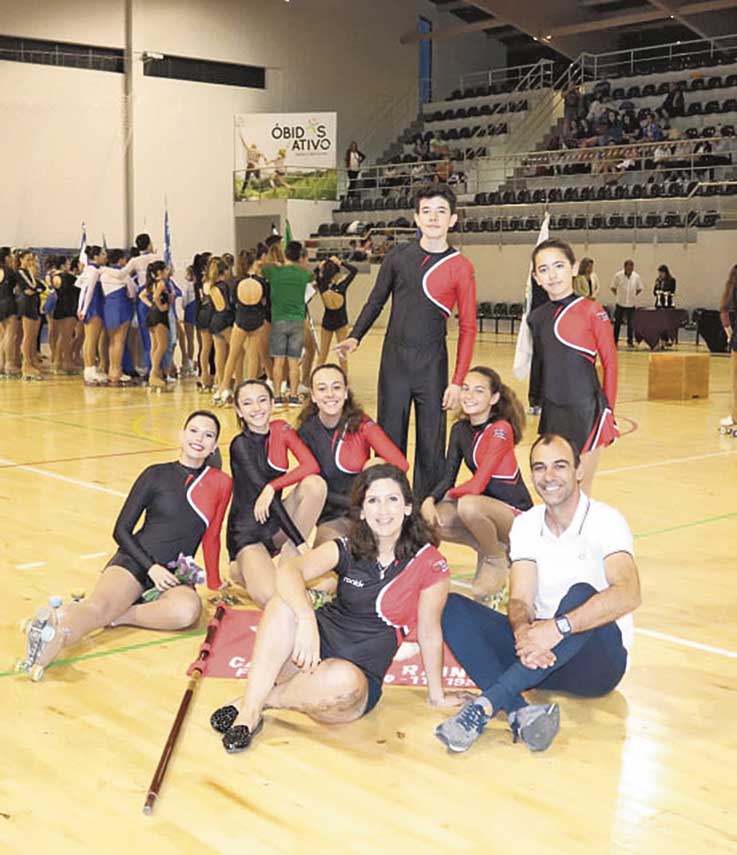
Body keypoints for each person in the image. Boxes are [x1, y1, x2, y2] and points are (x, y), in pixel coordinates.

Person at [209, 464, 463, 753]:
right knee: (283, 604)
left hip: (350, 685)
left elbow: (430, 632)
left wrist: (437, 695)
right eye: (373, 500)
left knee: (343, 682)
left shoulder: (430, 563)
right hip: (307, 653)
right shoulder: (348, 546)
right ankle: (250, 715)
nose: (383, 510)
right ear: (363, 511)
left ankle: (259, 700)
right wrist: (306, 619)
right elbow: (290, 570)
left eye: (392, 499)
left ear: (407, 507)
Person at [434, 433, 641, 754]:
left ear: (578, 471)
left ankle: (486, 706)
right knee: (449, 606)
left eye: (560, 466)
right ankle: (519, 710)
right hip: (539, 658)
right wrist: (522, 633)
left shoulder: (606, 520)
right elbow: (520, 600)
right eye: (540, 468)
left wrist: (557, 629)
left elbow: (628, 594)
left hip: (596, 665)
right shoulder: (527, 525)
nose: (549, 477)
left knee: (583, 592)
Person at [19, 411, 232, 674]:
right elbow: (121, 530)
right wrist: (151, 567)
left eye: (208, 435)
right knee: (99, 607)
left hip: (174, 574)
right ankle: (53, 637)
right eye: (194, 430)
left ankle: (121, 615)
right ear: (181, 435)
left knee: (188, 611)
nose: (199, 438)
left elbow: (212, 537)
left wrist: (215, 583)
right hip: (136, 560)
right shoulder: (155, 474)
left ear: (213, 447)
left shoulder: (221, 484)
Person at [335, 184, 477, 500]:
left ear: (452, 219)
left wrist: (457, 381)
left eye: (441, 211)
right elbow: (376, 299)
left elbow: (468, 327)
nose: (433, 218)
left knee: (431, 443)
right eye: (426, 211)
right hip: (395, 362)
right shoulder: (398, 257)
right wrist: (356, 334)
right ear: (416, 217)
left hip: (432, 365)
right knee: (389, 439)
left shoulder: (461, 267)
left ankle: (425, 509)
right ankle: (390, 504)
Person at [422, 367, 532, 605]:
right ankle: (491, 547)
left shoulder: (501, 429)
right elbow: (447, 477)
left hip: (517, 516)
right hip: (485, 509)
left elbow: (478, 483)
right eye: (466, 388)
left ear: (493, 398)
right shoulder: (460, 429)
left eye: (479, 391)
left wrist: (449, 497)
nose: (469, 396)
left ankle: (495, 557)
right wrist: (429, 500)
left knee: (468, 506)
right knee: (434, 518)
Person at [527, 238, 618, 495]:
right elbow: (541, 364)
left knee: (580, 487)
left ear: (573, 268)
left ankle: (582, 536)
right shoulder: (536, 318)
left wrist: (608, 410)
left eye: (558, 266)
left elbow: (610, 363)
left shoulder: (593, 311)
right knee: (553, 487)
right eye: (543, 269)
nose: (552, 275)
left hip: (587, 412)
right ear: (536, 277)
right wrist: (535, 400)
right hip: (553, 412)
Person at [227, 379, 326, 607]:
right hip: (248, 534)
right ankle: (242, 568)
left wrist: (273, 486)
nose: (257, 408)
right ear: (239, 410)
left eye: (262, 400)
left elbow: (311, 465)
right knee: (270, 598)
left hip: (275, 525)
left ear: (272, 403)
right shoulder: (239, 445)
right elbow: (269, 500)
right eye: (248, 403)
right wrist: (301, 543)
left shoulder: (281, 429)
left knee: (315, 485)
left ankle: (288, 572)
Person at [297, 363, 409, 546]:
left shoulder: (362, 425)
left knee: (376, 464)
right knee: (330, 557)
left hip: (367, 511)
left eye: (336, 387)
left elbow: (401, 465)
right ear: (314, 396)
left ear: (346, 392)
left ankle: (389, 537)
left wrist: (370, 496)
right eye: (322, 389)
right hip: (333, 513)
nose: (330, 394)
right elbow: (316, 488)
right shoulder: (306, 431)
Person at [262, 240, 313, 407]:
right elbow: (310, 274)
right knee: (293, 361)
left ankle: (276, 396)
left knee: (278, 361)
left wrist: (276, 262)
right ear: (300, 256)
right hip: (297, 320)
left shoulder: (274, 272)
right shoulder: (303, 275)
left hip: (278, 320)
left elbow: (261, 266)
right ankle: (293, 395)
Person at [216, 251, 267, 405]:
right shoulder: (262, 282)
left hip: (241, 319)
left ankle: (223, 389)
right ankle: (250, 390)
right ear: (254, 263)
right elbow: (264, 302)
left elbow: (232, 302)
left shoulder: (236, 282)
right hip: (257, 320)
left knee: (233, 355)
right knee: (253, 356)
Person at [100, 249, 137, 384]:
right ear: (121, 260)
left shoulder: (103, 274)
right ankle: (117, 371)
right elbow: (132, 293)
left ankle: (112, 370)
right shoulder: (124, 276)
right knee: (120, 341)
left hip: (108, 307)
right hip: (122, 306)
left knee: (111, 341)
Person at [315, 255, 357, 370]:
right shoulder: (342, 285)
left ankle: (317, 377)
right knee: (340, 354)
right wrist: (341, 262)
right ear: (336, 274)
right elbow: (354, 270)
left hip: (330, 322)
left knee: (324, 354)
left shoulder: (322, 285)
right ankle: (344, 379)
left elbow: (315, 272)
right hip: (340, 322)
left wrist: (321, 265)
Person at [77, 245, 107, 385]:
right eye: (102, 254)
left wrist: (81, 307)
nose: (105, 256)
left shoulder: (89, 269)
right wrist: (83, 309)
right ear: (95, 257)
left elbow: (81, 287)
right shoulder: (94, 271)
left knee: (90, 339)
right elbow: (87, 291)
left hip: (90, 305)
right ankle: (89, 369)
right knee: (91, 339)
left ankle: (89, 369)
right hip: (93, 306)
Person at [139, 260, 171, 390]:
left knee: (155, 346)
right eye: (165, 269)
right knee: (162, 346)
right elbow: (156, 297)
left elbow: (142, 295)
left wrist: (151, 306)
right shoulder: (161, 283)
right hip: (159, 316)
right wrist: (160, 306)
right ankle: (153, 373)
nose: (167, 272)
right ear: (160, 272)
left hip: (151, 315)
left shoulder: (152, 284)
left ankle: (156, 372)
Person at [15, 249, 46, 380]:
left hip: (34, 303)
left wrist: (35, 287)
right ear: (21, 259)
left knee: (33, 336)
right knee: (28, 336)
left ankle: (32, 360)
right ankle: (26, 364)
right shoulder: (20, 272)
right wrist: (34, 282)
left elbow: (41, 288)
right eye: (28, 259)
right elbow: (30, 287)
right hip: (26, 304)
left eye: (32, 259)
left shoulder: (29, 272)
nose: (30, 262)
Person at [719, 265, 737, 432]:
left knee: (735, 382)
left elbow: (724, 314)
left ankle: (735, 416)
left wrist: (730, 335)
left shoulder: (730, 291)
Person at [610, 259, 643, 347]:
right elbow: (613, 287)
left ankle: (630, 341)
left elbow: (640, 288)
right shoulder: (618, 275)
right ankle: (614, 340)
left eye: (631, 267)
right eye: (628, 267)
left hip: (631, 304)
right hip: (620, 303)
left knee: (631, 324)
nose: (630, 269)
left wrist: (633, 295)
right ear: (625, 267)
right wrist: (618, 295)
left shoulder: (636, 276)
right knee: (617, 323)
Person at [0, 246, 21, 377]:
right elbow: (19, 288)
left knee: (2, 336)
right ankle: (9, 364)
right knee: (9, 335)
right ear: (7, 258)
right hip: (8, 303)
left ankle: (1, 363)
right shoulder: (9, 272)